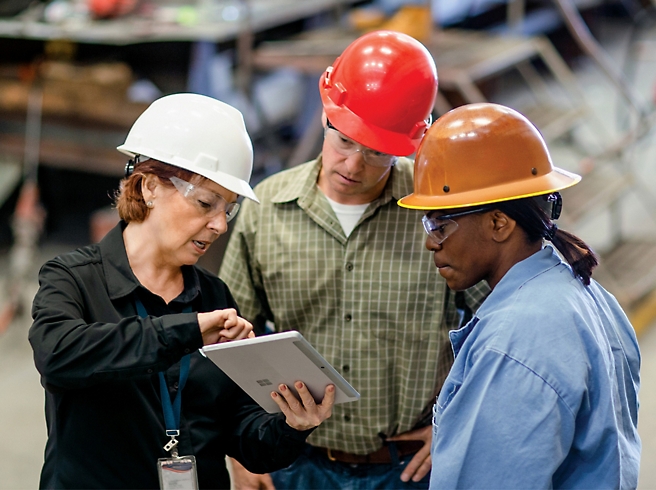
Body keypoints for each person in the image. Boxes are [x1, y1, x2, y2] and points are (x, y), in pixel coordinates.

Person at [219, 31, 490, 489]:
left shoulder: (435, 212)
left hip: (409, 468)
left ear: (409, 143)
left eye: (377, 152)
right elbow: (230, 341)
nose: (353, 164)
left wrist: (459, 424)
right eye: (343, 140)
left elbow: (500, 326)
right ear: (326, 112)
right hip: (294, 462)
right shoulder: (266, 209)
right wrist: (241, 452)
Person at [28, 93, 335, 490]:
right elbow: (59, 354)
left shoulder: (213, 296)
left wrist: (292, 425)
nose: (220, 225)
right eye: (206, 203)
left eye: (228, 209)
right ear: (150, 187)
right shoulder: (73, 278)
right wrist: (187, 331)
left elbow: (241, 433)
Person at [397, 102, 642, 488]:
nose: (431, 244)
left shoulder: (512, 343)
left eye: (440, 224)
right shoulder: (589, 295)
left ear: (498, 222)